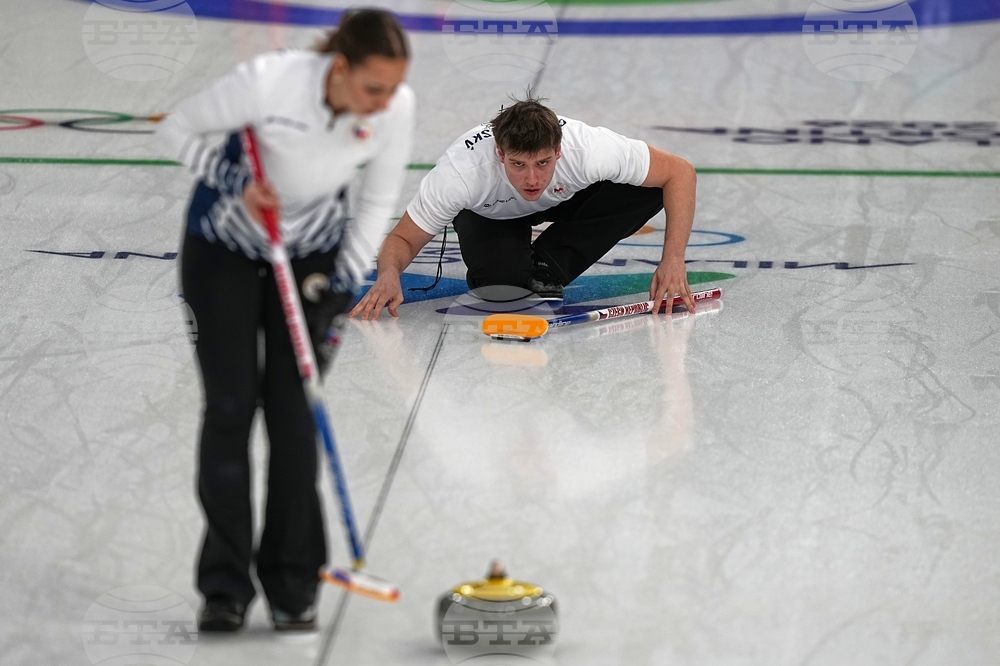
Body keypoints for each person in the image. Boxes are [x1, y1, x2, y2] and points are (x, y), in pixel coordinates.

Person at [154, 9, 414, 632]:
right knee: (229, 410)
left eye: (392, 90)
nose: (381, 105)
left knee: (297, 418)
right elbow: (177, 129)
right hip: (224, 251)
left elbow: (377, 198)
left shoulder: (393, 107)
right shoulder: (270, 80)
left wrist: (342, 282)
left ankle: (293, 583)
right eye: (372, 89)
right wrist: (235, 180)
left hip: (312, 258)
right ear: (341, 68)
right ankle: (224, 588)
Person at [349, 96, 697, 320]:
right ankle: (514, 266)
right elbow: (403, 239)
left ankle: (549, 264)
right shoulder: (461, 174)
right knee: (504, 289)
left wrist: (673, 260)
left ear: (559, 150)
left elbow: (679, 172)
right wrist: (388, 276)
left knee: (648, 188)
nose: (532, 178)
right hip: (489, 213)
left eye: (543, 162)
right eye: (518, 164)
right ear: (499, 153)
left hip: (566, 196)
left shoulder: (589, 149)